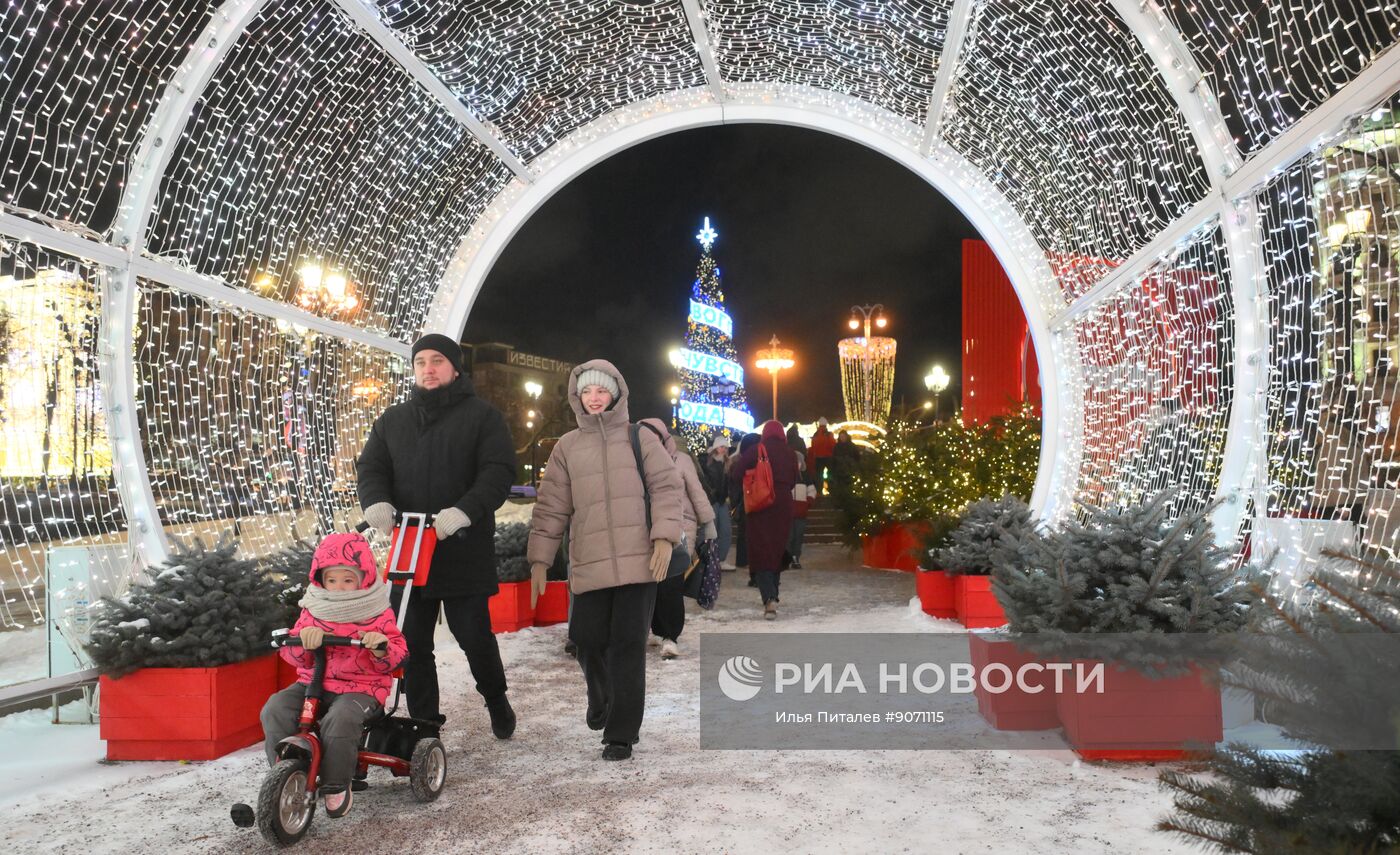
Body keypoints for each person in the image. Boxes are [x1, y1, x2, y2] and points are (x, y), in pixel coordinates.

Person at [356, 334, 518, 738]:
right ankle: (424, 724)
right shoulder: (392, 421)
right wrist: (376, 500)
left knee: (474, 637)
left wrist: (465, 511)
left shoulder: (483, 417)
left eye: (437, 361)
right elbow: (371, 468)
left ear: (455, 368)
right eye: (421, 362)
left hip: (461, 548)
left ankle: (496, 698)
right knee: (410, 644)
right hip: (410, 550)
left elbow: (497, 472)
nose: (428, 369)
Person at [526, 360, 682, 761]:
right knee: (587, 639)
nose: (594, 398)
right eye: (586, 392)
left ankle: (621, 733)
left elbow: (666, 488)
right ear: (577, 397)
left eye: (601, 390)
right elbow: (551, 508)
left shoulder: (640, 438)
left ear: (616, 393)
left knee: (628, 645)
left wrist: (665, 537)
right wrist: (540, 560)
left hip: (640, 563)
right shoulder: (566, 447)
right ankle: (602, 696)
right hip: (590, 562)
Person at [261, 532, 408, 818]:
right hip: (312, 684)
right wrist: (302, 641)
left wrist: (380, 648)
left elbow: (398, 654)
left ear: (363, 579)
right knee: (275, 708)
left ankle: (336, 784)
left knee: (341, 719)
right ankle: (285, 775)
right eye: (332, 580)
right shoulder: (315, 609)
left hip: (362, 688)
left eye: (347, 580)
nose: (338, 587)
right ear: (321, 580)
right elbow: (294, 656)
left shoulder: (375, 611)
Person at [638, 418, 716, 660]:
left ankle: (670, 635)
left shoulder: (680, 460)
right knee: (649, 582)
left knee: (670, 583)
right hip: (647, 530)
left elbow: (696, 490)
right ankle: (653, 628)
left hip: (681, 527)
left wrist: (709, 522)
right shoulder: (637, 461)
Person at [730, 420, 798, 618]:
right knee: (776, 550)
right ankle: (773, 595)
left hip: (761, 504)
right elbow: (794, 480)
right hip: (784, 505)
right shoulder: (790, 453)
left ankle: (769, 599)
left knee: (761, 551)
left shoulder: (757, 449)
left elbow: (736, 473)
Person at [700, 435, 733, 569]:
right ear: (715, 447)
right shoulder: (706, 461)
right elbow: (703, 481)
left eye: (725, 447)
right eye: (721, 446)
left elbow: (728, 483)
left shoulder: (727, 463)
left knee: (725, 530)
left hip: (722, 501)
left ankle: (721, 559)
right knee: (709, 531)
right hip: (712, 501)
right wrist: (711, 494)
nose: (724, 449)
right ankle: (706, 559)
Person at [785, 425, 810, 569]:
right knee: (789, 535)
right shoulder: (787, 475)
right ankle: (788, 556)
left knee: (798, 536)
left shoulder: (805, 477)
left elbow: (811, 490)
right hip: (789, 511)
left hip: (800, 511)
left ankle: (796, 556)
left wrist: (808, 502)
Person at [808, 417, 837, 496]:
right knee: (830, 474)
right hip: (828, 457)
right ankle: (831, 490)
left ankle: (819, 492)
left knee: (819, 476)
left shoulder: (815, 434)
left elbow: (813, 446)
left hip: (818, 458)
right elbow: (833, 445)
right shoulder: (829, 434)